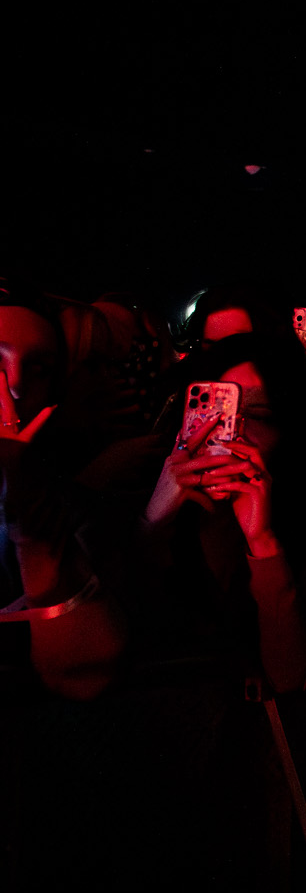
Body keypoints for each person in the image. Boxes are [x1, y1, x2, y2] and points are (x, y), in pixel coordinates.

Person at [135, 334, 306, 691]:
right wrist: (151, 523)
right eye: (218, 412)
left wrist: (263, 542)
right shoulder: (139, 496)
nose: (234, 432)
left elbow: (291, 678)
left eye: (259, 416)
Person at [1, 293, 128, 698]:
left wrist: (32, 528)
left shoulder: (71, 511)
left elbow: (85, 679)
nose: (14, 385)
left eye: (38, 369)